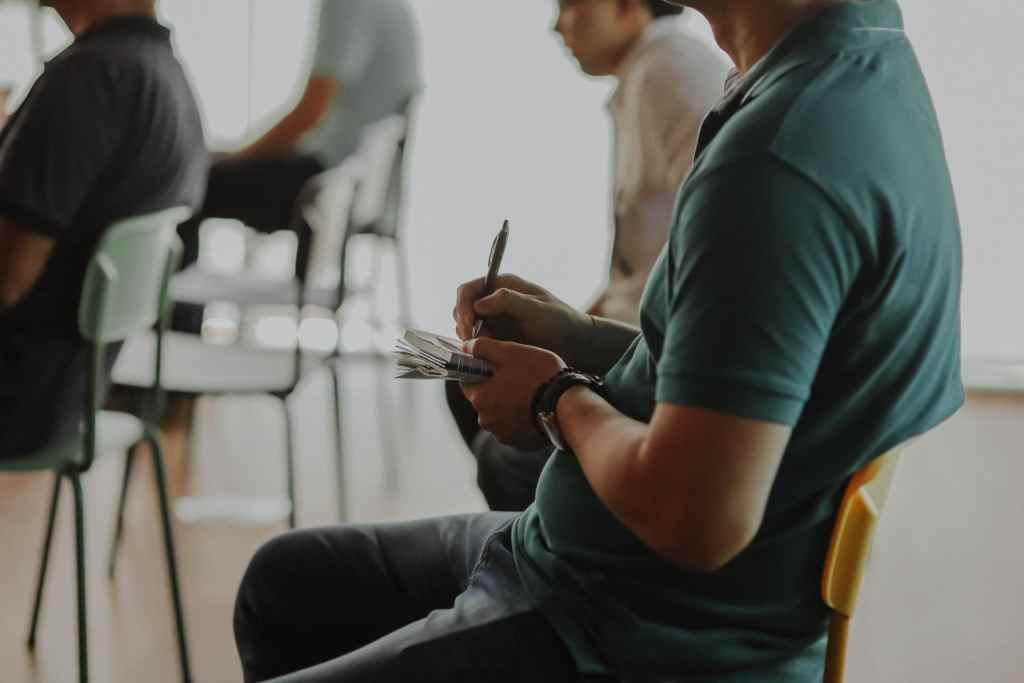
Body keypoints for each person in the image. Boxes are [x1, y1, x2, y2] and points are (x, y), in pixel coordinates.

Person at [233, 1, 964, 680]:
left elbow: (697, 517)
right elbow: (738, 376)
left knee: (295, 597)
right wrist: (576, 335)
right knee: (286, 581)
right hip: (590, 562)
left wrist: (557, 397)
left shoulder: (777, 159)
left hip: (627, 623)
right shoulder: (861, 60)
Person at [445, 0, 730, 511]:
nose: (558, 25)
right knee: (468, 371)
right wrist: (570, 321)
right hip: (641, 341)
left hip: (659, 361)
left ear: (627, 7)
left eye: (572, 5)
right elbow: (641, 262)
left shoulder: (670, 74)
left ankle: (547, 552)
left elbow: (707, 264)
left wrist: (574, 366)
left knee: (498, 445)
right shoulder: (648, 73)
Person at [0, 0, 206, 459]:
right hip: (73, 396)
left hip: (18, 399)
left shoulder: (90, 76)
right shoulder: (160, 72)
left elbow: (6, 280)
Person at [175, 0, 422, 272]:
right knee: (201, 175)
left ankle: (174, 311)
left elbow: (308, 114)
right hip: (347, 186)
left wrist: (236, 157)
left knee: (187, 183)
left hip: (323, 188)